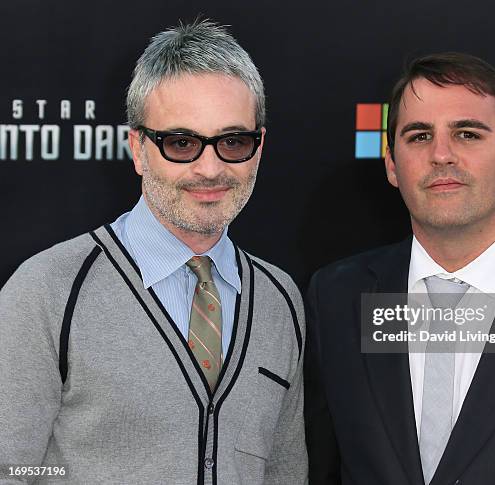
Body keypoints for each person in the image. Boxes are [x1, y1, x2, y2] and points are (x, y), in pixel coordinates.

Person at [0, 19, 307, 485]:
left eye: (232, 142)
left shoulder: (279, 298)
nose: (210, 168)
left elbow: (286, 473)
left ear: (258, 148)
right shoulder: (47, 290)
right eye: (181, 143)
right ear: (139, 149)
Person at [305, 52, 495, 485]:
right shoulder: (337, 297)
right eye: (418, 136)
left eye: (467, 134)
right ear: (392, 164)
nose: (441, 155)